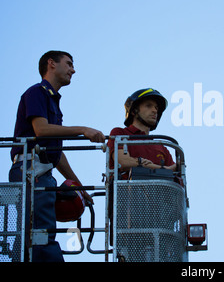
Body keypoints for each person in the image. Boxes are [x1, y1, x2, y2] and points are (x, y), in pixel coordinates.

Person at [9, 50, 105, 262]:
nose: (73, 69)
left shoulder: (51, 100)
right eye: (69, 64)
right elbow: (41, 130)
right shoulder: (37, 92)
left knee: (37, 234)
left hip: (42, 170)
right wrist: (83, 129)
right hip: (30, 170)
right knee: (38, 236)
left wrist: (78, 186)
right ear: (51, 64)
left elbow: (56, 153)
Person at [107, 88, 176, 176]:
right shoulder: (120, 133)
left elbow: (175, 174)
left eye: (156, 107)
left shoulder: (160, 146)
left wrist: (139, 163)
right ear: (133, 111)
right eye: (148, 106)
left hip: (157, 189)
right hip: (127, 189)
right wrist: (164, 169)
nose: (155, 111)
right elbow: (123, 162)